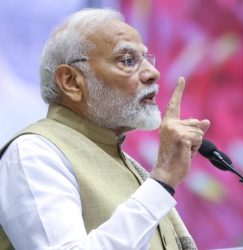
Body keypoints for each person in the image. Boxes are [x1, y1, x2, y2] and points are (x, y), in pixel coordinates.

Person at [0, 8, 210, 250]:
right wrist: (162, 178)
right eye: (128, 61)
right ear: (71, 81)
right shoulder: (33, 154)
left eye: (146, 59)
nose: (153, 73)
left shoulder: (124, 161)